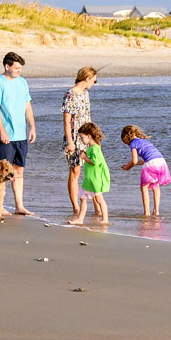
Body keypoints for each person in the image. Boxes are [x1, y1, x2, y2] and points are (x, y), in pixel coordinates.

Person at [0, 51, 36, 215]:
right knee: (2, 173)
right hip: (3, 136)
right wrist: (2, 131)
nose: (19, 71)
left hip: (21, 135)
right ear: (7, 66)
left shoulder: (22, 82)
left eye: (20, 68)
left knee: (19, 171)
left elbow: (27, 106)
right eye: (16, 68)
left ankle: (19, 206)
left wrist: (33, 127)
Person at [62, 66, 99, 223]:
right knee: (75, 173)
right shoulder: (70, 95)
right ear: (87, 79)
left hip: (87, 139)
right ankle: (76, 208)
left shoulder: (86, 94)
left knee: (91, 171)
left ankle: (97, 207)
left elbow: (88, 117)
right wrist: (70, 141)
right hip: (74, 139)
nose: (94, 83)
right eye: (94, 80)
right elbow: (66, 119)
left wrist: (94, 138)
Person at [119, 124, 171, 217]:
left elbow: (134, 161)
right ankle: (156, 211)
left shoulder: (133, 144)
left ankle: (146, 212)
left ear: (125, 137)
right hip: (161, 161)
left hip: (151, 163)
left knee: (144, 187)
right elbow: (145, 160)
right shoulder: (144, 141)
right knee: (155, 186)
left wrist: (127, 167)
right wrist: (128, 164)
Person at [71, 121, 110, 225]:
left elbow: (95, 162)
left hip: (95, 179)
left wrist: (84, 157)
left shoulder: (95, 148)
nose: (81, 140)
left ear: (89, 136)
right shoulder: (91, 148)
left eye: (82, 137)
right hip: (88, 179)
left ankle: (105, 219)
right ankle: (80, 219)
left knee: (99, 199)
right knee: (82, 198)